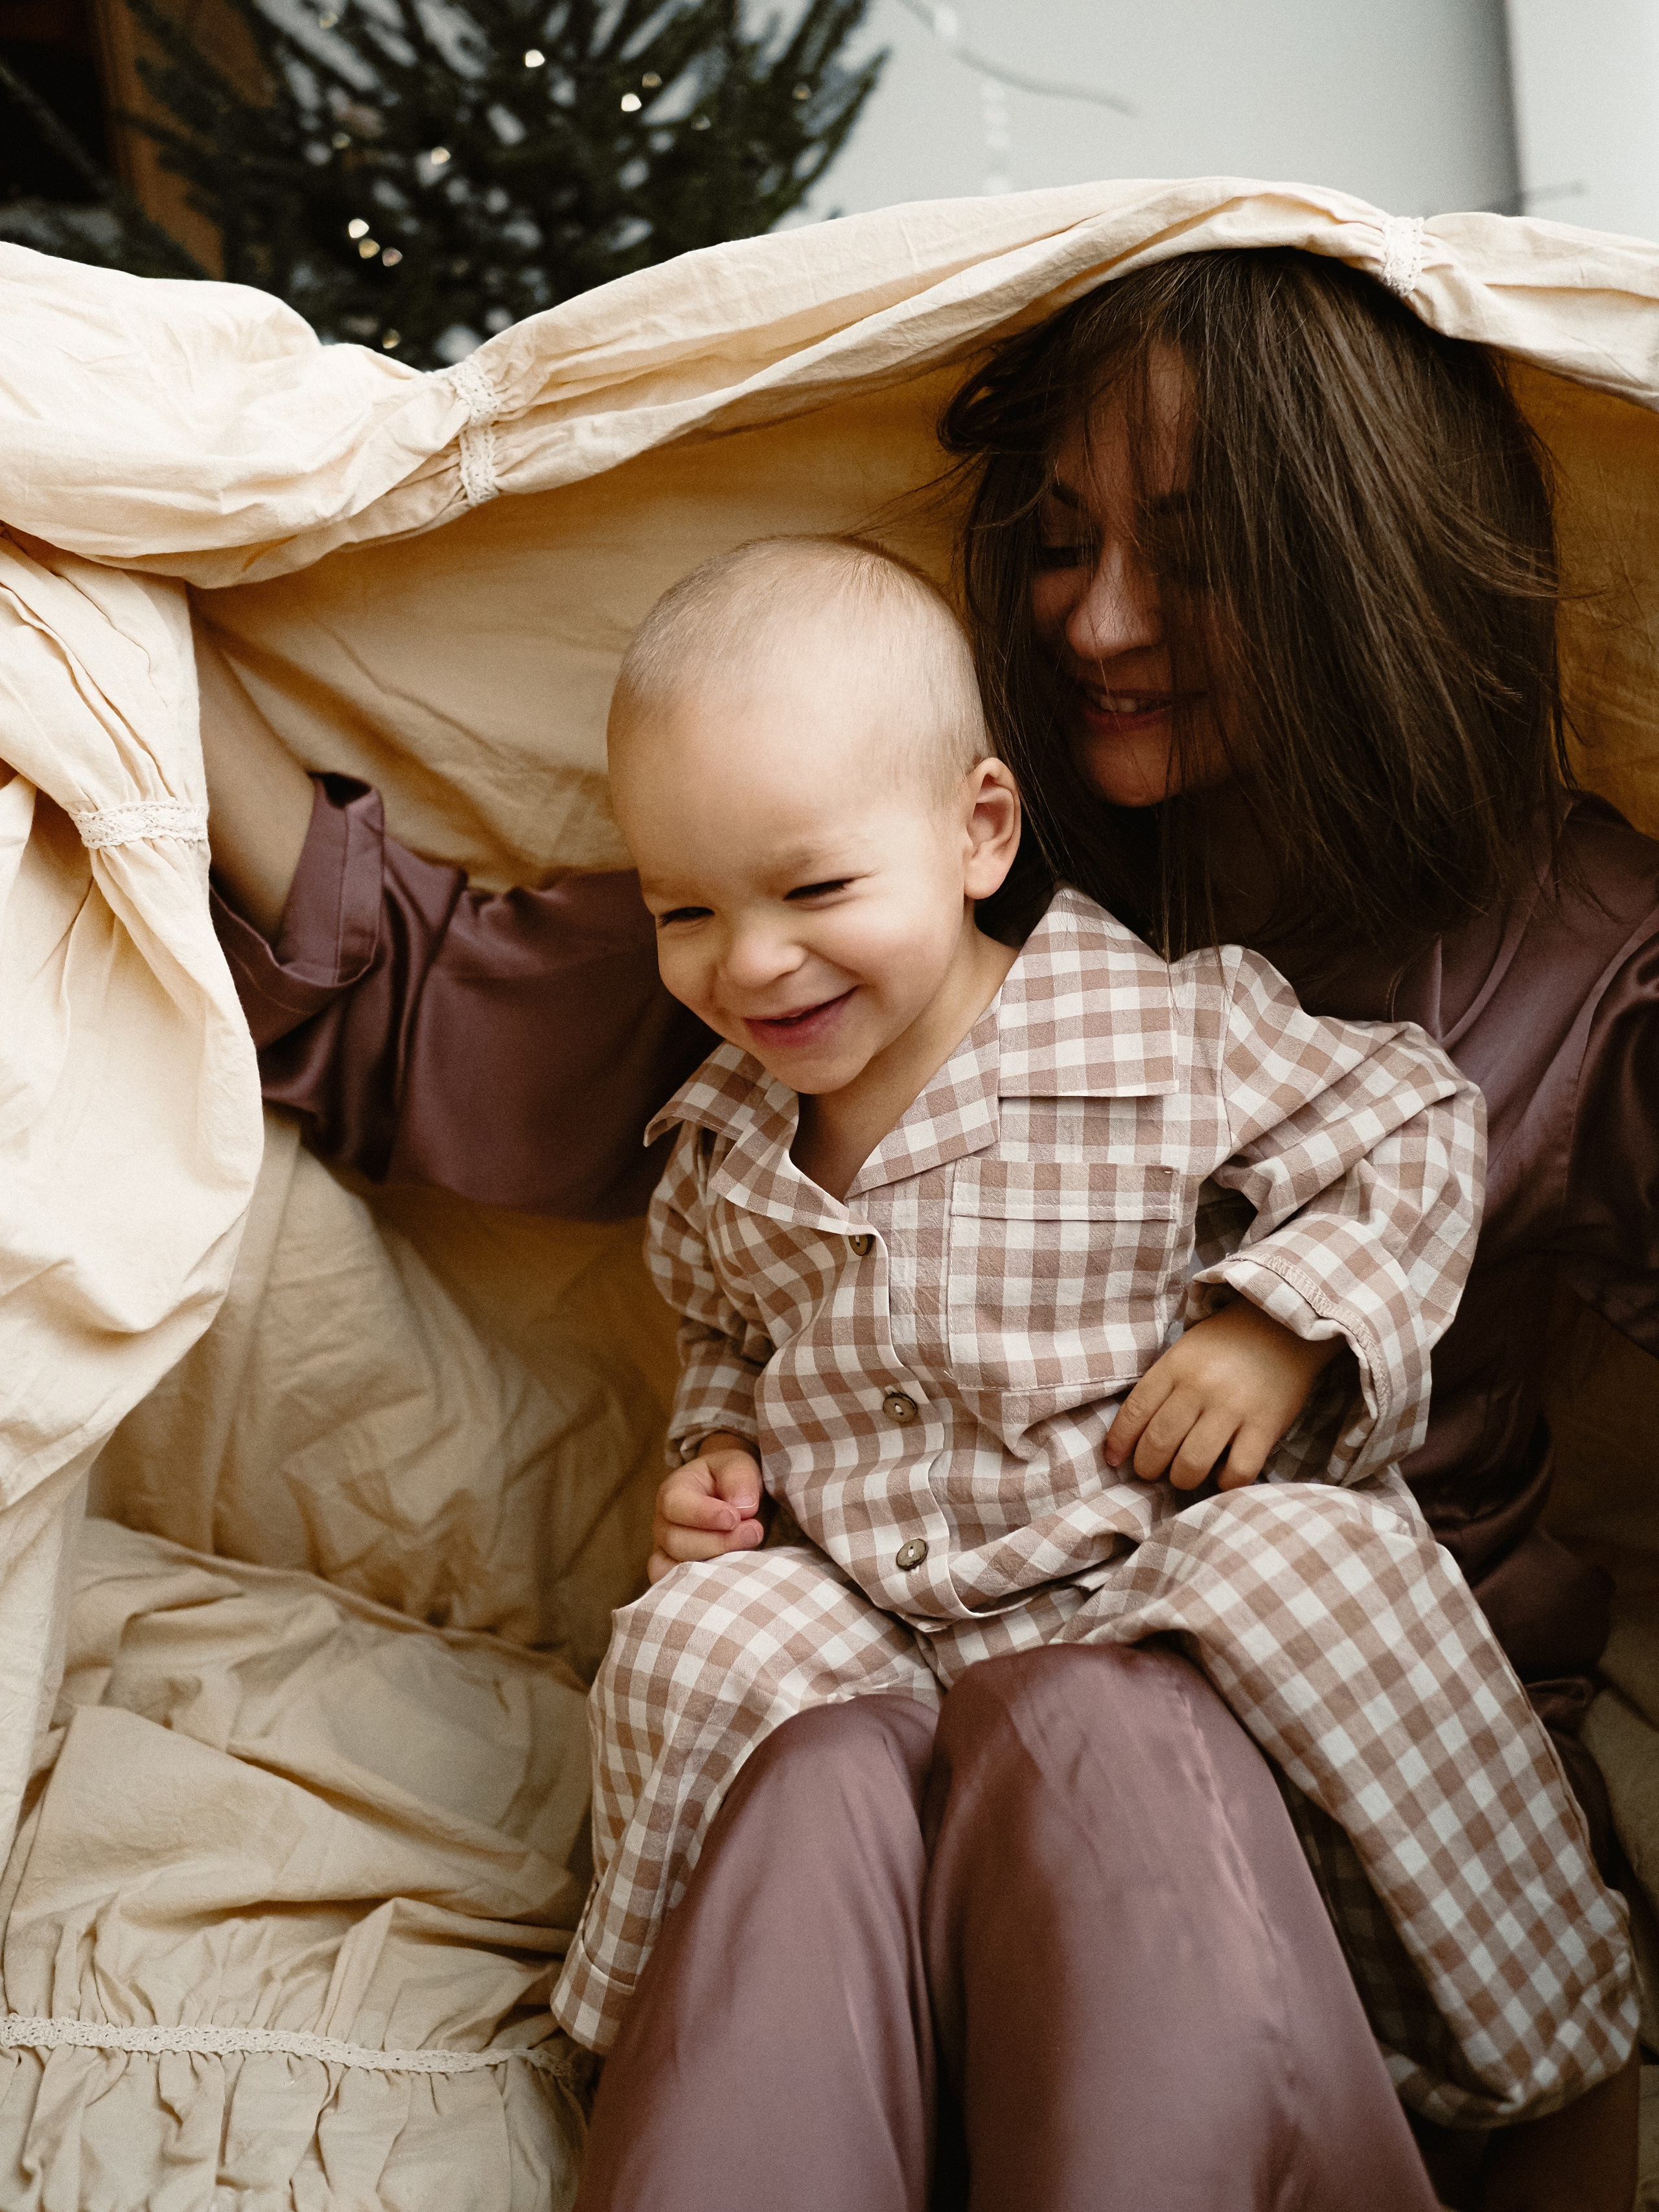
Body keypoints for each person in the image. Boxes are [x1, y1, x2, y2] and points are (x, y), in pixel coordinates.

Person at [198, 242, 1657, 2206]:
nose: (1103, 620)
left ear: (1355, 558)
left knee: (1098, 1722)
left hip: (1309, 1753)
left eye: (1199, 554)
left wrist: (1289, 1317)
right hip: (889, 1696)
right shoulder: (867, 895)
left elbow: (1409, 1152)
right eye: (1058, 539)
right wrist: (106, 629)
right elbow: (461, 1007)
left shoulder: (1572, 951)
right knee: (794, 1748)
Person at [550, 530, 1632, 2138]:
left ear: (977, 831)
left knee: (1316, 1565)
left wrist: (1279, 1329)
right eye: (684, 909)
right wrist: (712, 1453)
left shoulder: (1160, 1025)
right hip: (883, 1613)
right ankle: (663, 2046)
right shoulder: (723, 1141)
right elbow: (723, 1327)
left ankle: (1542, 2030)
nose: (750, 959)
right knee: (698, 1642)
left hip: (1144, 1568)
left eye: (814, 888)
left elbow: (1411, 1119)